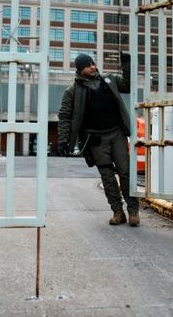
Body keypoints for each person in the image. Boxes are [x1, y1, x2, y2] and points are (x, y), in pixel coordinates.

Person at [57, 52, 140, 226]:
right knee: (107, 176)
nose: (93, 67)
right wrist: (63, 140)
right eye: (88, 65)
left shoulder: (109, 80)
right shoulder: (72, 92)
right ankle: (118, 212)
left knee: (125, 172)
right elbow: (64, 116)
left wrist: (126, 65)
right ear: (80, 69)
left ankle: (133, 210)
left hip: (117, 133)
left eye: (93, 63)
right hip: (95, 140)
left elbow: (128, 85)